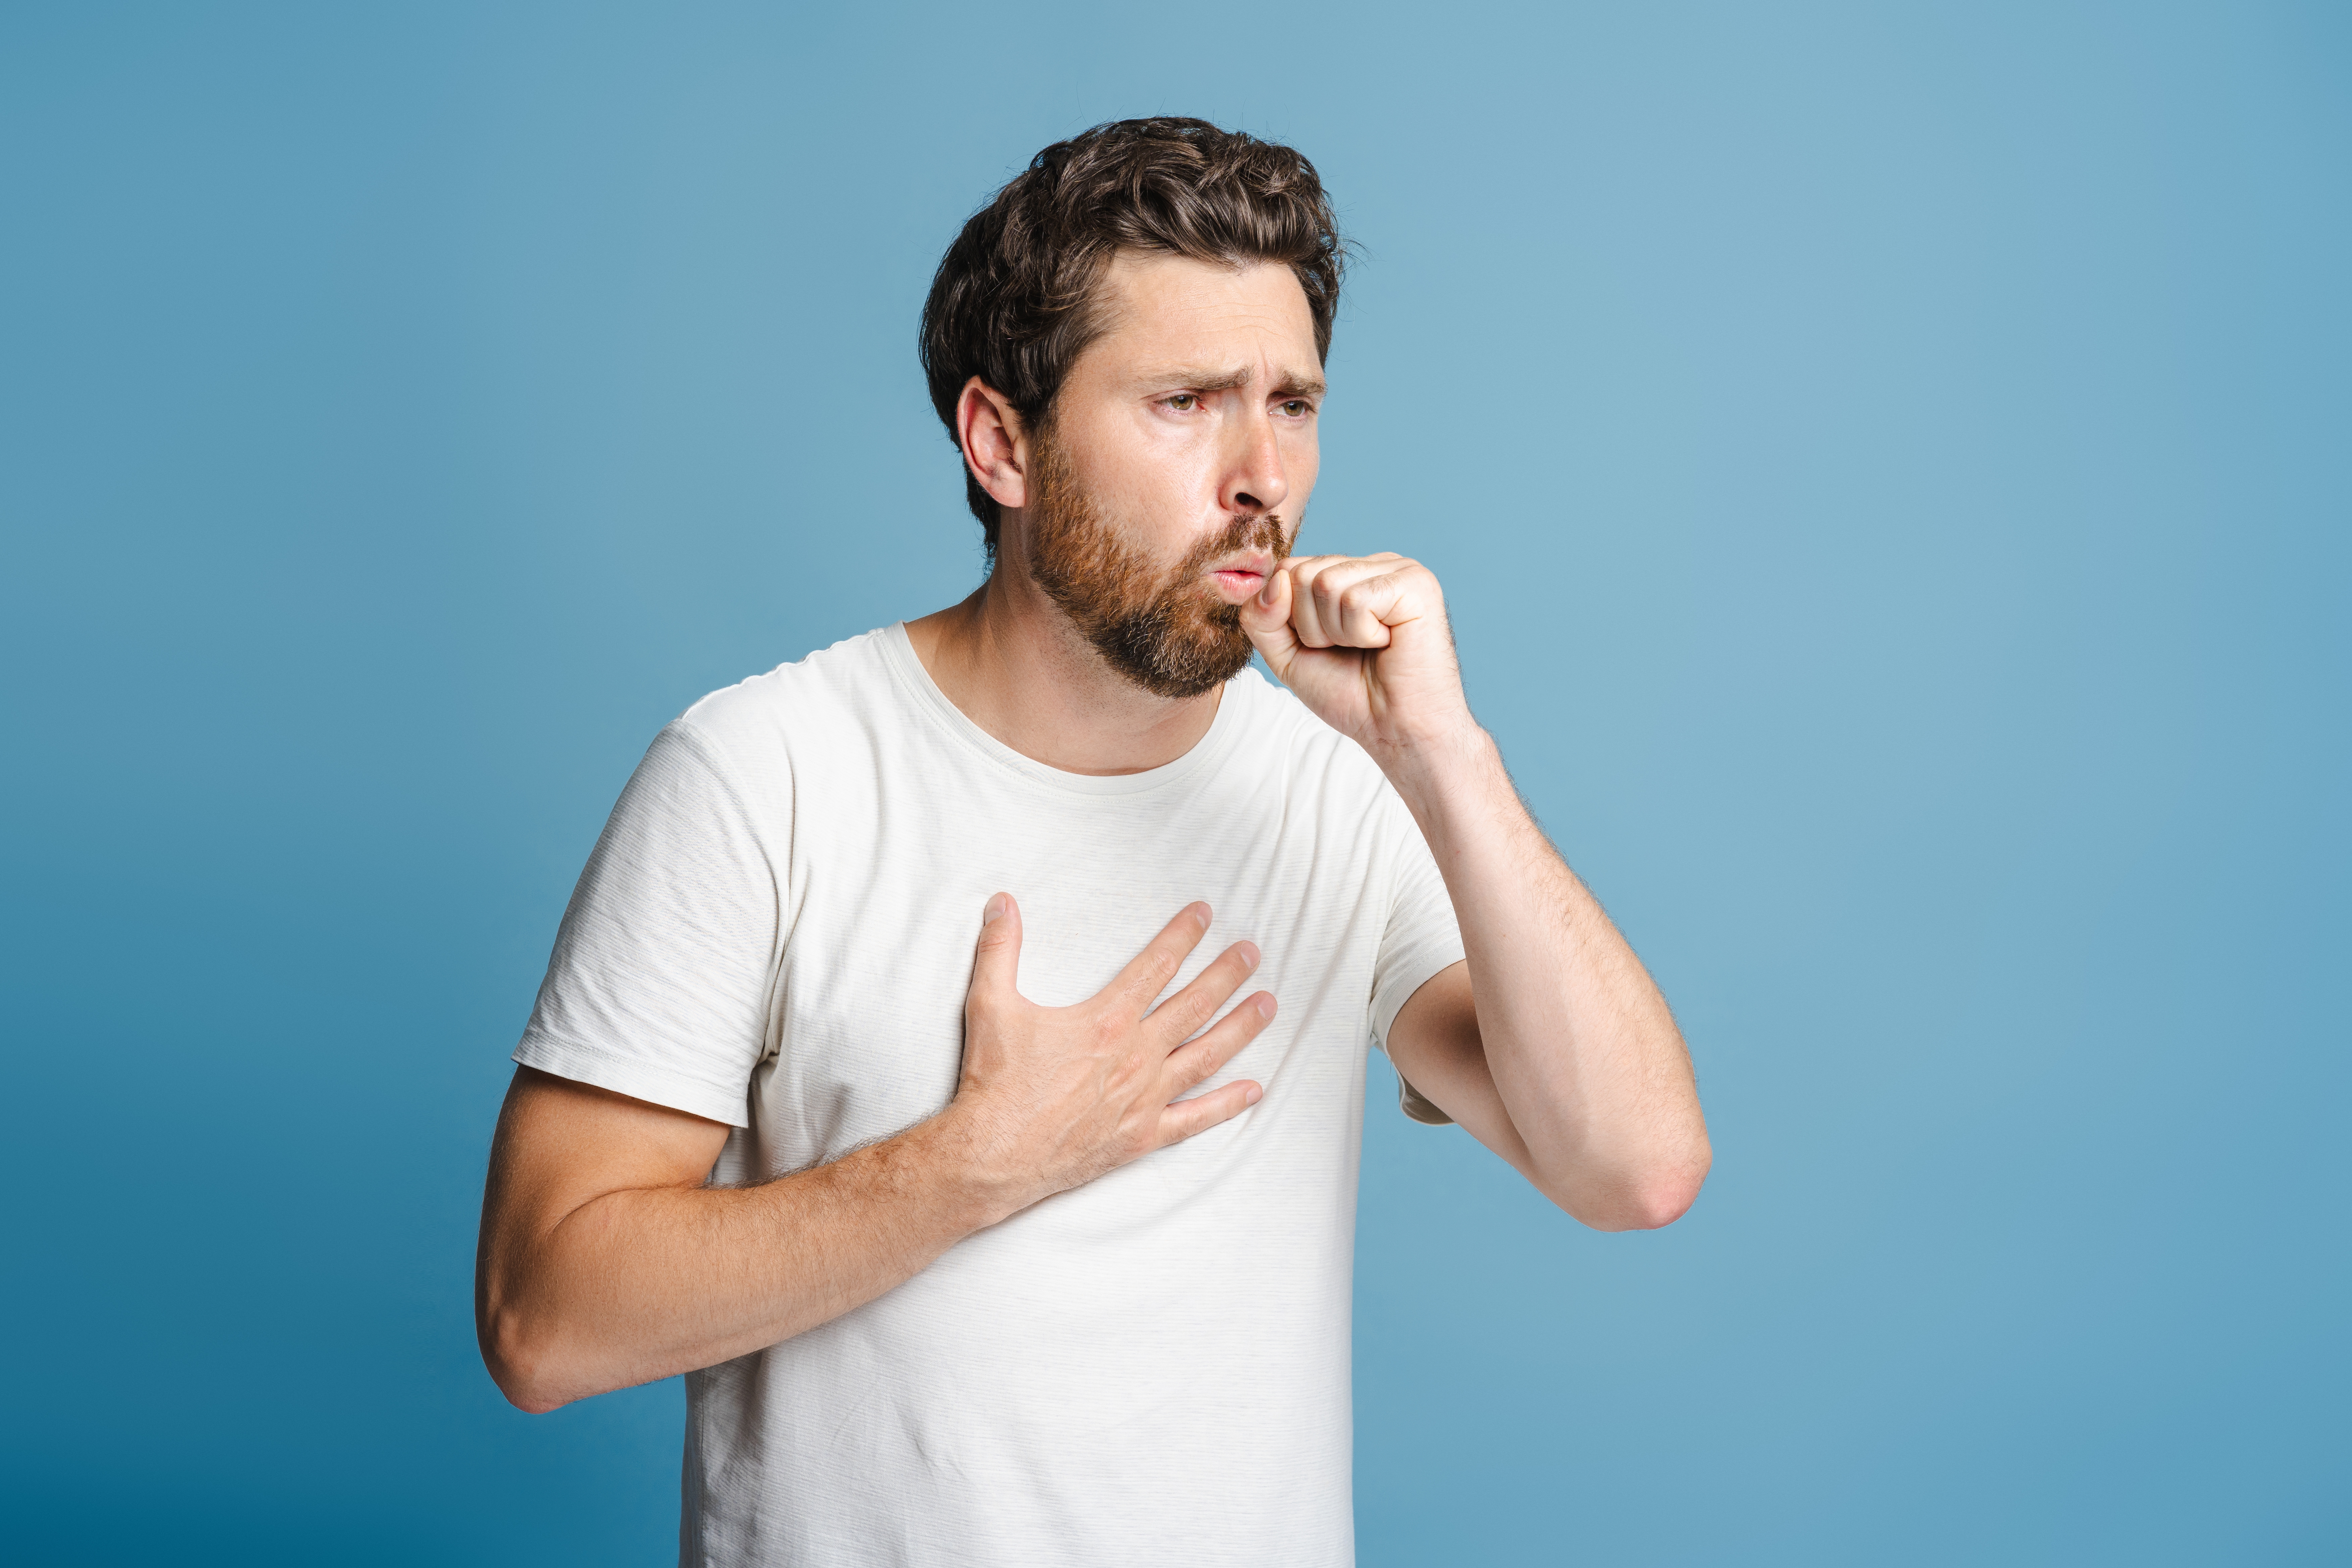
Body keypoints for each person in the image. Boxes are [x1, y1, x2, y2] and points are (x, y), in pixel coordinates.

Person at [474, 116, 1711, 1568]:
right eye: (1186, 402)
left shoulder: (1343, 785)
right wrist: (975, 1163)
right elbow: (544, 1321)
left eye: (1294, 404)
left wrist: (1443, 757)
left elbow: (1634, 1169)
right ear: (1002, 441)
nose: (1264, 477)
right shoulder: (764, 775)